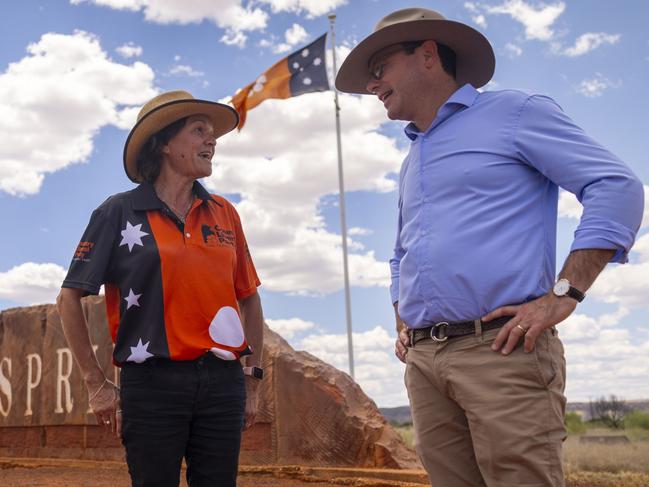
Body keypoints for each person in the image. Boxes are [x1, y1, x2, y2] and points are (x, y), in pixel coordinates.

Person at [336, 8, 644, 487]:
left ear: (427, 55)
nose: (373, 85)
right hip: (424, 362)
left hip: (501, 351)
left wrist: (564, 293)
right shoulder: (413, 156)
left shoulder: (515, 113)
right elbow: (401, 253)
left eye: (379, 69)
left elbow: (615, 185)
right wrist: (403, 312)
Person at [56, 90, 265, 487]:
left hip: (223, 384)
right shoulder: (117, 212)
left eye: (211, 133)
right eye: (198, 130)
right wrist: (95, 384)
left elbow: (249, 297)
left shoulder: (225, 213)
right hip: (151, 385)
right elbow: (68, 298)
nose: (212, 140)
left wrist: (252, 381)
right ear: (165, 144)